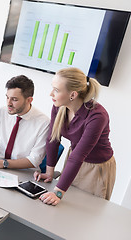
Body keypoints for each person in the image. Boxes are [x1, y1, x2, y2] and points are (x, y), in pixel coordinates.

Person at [35, 67, 116, 206]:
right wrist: (49, 172)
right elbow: (53, 139)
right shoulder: (59, 106)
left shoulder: (97, 116)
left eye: (56, 90)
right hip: (73, 160)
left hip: (95, 169)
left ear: (72, 95)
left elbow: (79, 155)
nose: (50, 94)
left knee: (84, 213)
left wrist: (58, 193)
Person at [0, 75, 50, 170]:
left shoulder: (43, 122)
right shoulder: (3, 111)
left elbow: (34, 160)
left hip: (24, 171)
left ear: (29, 100)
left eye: (14, 99)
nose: (8, 103)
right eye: (7, 97)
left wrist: (4, 163)